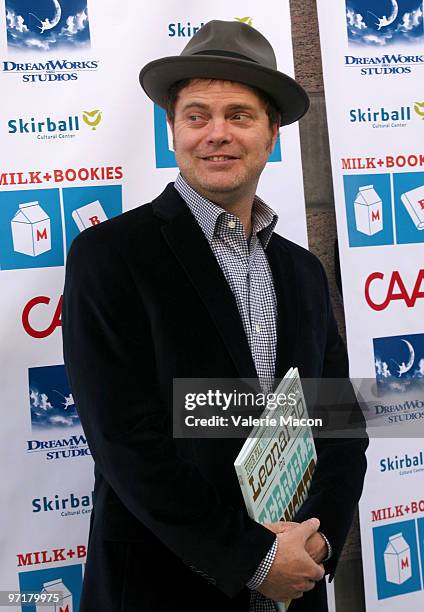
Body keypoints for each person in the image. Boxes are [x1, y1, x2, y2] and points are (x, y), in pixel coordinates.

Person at [62, 20, 368, 612]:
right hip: (163, 587)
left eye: (240, 115)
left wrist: (320, 540)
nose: (217, 134)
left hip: (294, 585)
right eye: (197, 115)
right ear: (173, 131)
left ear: (272, 133)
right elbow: (124, 438)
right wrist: (253, 560)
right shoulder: (111, 256)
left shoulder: (303, 272)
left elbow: (339, 423)